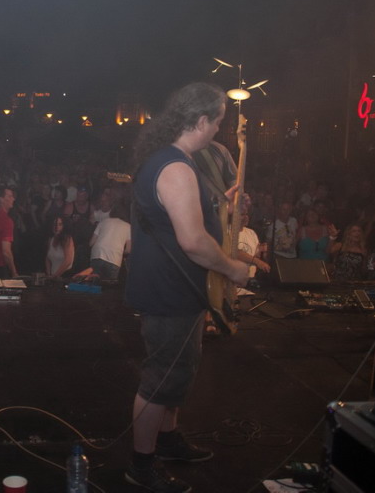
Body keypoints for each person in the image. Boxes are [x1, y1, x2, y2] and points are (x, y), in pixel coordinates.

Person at [125, 82, 249, 493]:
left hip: (178, 289)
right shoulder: (175, 168)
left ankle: (168, 440)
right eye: (217, 122)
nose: (218, 130)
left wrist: (222, 203)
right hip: (169, 291)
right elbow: (193, 241)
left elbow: (181, 217)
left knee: (179, 372)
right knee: (160, 380)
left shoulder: (172, 160)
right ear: (200, 121)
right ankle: (141, 466)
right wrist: (233, 269)